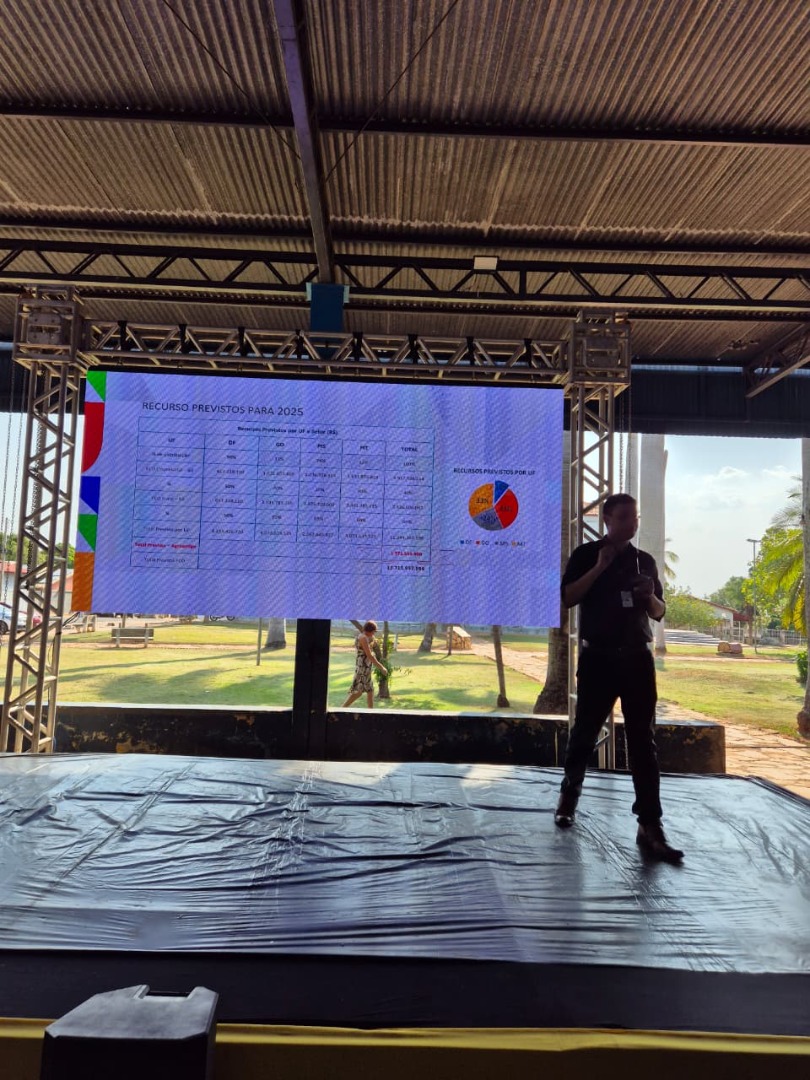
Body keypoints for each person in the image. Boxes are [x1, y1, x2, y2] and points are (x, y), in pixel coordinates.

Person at [554, 493, 684, 863]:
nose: (632, 523)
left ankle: (650, 825)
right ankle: (568, 799)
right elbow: (568, 597)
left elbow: (658, 612)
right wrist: (599, 568)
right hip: (598, 658)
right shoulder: (586, 555)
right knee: (584, 733)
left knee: (643, 741)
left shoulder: (645, 561)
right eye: (625, 516)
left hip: (637, 659)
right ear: (607, 519)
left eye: (635, 517)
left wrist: (649, 597)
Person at [342, 621, 389, 708]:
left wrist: (372, 639)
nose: (374, 633)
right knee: (358, 692)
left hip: (366, 666)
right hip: (362, 666)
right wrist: (382, 668)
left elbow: (371, 647)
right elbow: (369, 655)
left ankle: (370, 712)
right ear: (369, 630)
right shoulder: (363, 638)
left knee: (370, 691)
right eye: (374, 631)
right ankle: (342, 709)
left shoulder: (366, 637)